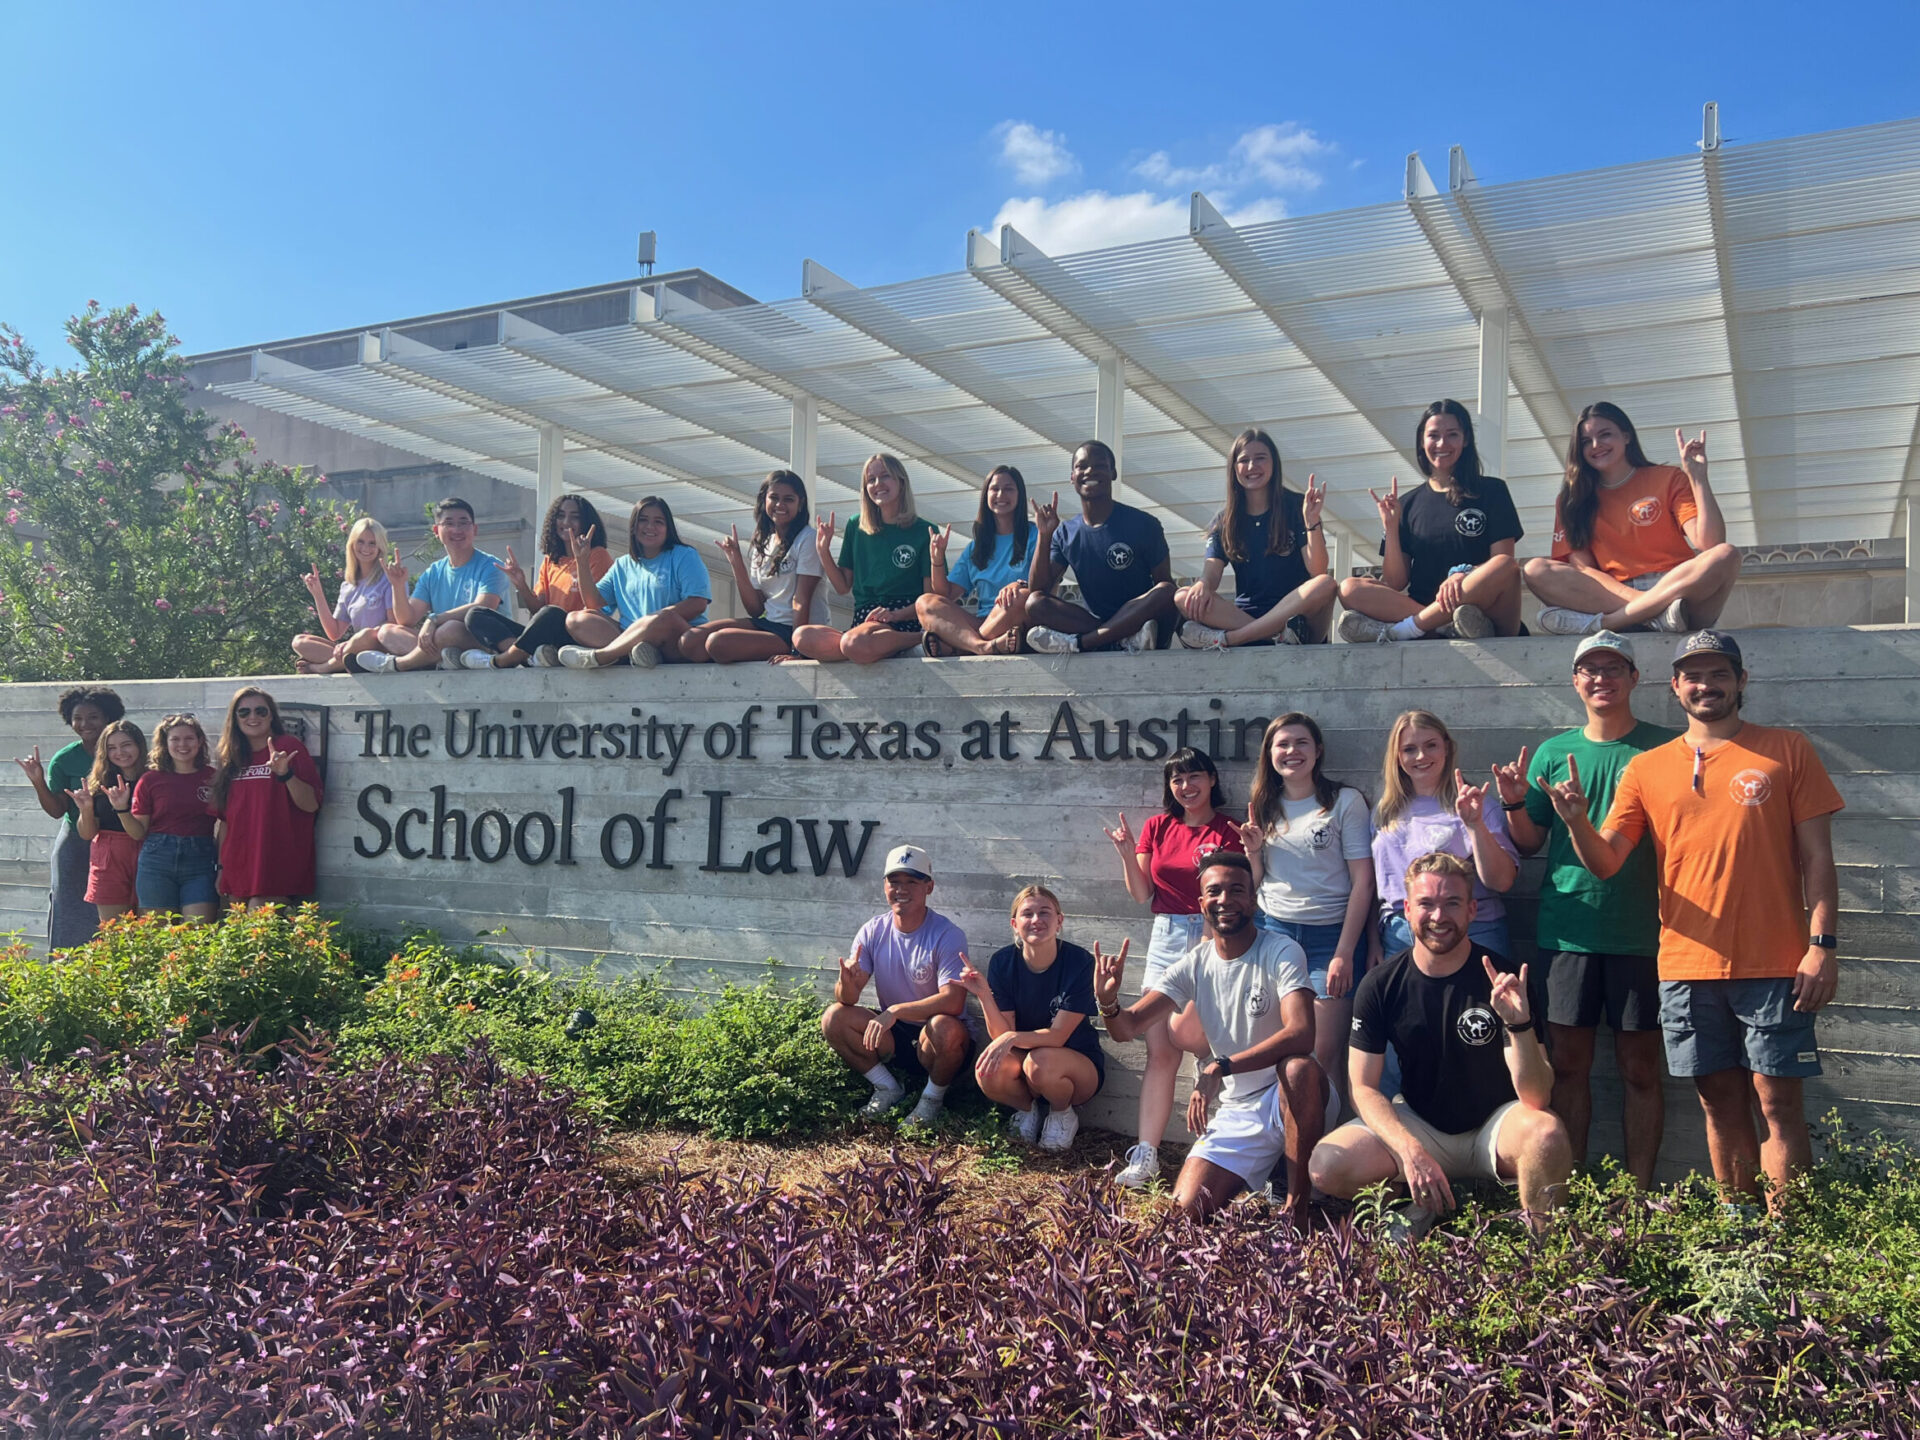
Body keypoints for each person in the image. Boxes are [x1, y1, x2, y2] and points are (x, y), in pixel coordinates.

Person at [1544, 630, 1843, 1209]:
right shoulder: (1648, 769)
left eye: (1719, 674)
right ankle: (1739, 1230)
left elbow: (1818, 859)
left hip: (1777, 963)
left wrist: (1821, 945)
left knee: (1779, 1105)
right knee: (1717, 1099)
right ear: (1676, 687)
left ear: (1741, 682)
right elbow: (1605, 861)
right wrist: (1578, 821)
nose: (1707, 685)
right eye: (1694, 676)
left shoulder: (1786, 750)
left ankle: (1795, 1238)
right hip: (1685, 965)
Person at [1490, 632, 1675, 1186]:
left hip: (1644, 934)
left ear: (1634, 678)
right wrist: (1514, 801)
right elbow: (1527, 844)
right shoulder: (1552, 752)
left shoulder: (1664, 749)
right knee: (1568, 1069)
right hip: (1567, 935)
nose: (1601, 678)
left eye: (1613, 668)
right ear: (1575, 682)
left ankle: (1639, 1193)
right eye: (1589, 669)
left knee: (1641, 1070)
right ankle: (1564, 1194)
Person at [1309, 853, 1573, 1233]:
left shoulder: (1504, 980)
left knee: (1547, 1133)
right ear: (1407, 909)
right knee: (1326, 1166)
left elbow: (1536, 1098)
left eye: (1451, 903)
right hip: (1420, 1124)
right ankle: (1414, 1199)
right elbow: (1363, 1088)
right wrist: (1409, 1151)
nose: (1438, 916)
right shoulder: (1381, 984)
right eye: (1426, 904)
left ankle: (1542, 1251)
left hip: (1494, 1127)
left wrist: (1519, 1024)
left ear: (1471, 910)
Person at [1095, 852, 1326, 1223]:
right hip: (1239, 1110)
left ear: (1253, 899)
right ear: (1201, 903)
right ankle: (1265, 1172)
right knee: (1182, 1216)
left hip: (1287, 1097)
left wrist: (1221, 1066)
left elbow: (1301, 1033)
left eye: (1237, 890)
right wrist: (1107, 1001)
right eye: (1214, 891)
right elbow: (1126, 1028)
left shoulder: (1282, 950)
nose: (1224, 900)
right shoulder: (1194, 963)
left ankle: (1296, 1208)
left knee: (1300, 1070)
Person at [1102, 748, 1246, 1189]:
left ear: (1213, 779)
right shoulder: (1157, 827)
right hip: (1165, 935)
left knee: (1204, 1040)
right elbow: (1142, 892)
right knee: (1160, 1050)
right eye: (1177, 780)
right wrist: (1128, 853)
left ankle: (1222, 1154)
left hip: (1211, 934)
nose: (1187, 787)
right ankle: (1146, 1155)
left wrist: (1213, 937)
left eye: (1195, 777)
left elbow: (1237, 890)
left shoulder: (1229, 831)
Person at [1240, 713, 1376, 1123]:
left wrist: (1344, 952)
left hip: (1328, 940)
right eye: (1282, 744)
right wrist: (1251, 853)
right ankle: (1281, 1151)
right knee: (1269, 1044)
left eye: (1301, 743)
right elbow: (1261, 880)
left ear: (1318, 751)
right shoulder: (1263, 803)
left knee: (1320, 1053)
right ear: (1270, 753)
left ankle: (1326, 1154)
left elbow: (1363, 884)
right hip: (1273, 934)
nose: (1291, 751)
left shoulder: (1344, 802)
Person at [1524, 403, 1743, 637]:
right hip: (1615, 594)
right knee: (1535, 570)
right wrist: (1650, 604)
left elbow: (1710, 543)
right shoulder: (1571, 499)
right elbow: (1584, 569)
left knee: (1726, 554)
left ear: (1626, 436)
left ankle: (1607, 624)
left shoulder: (1668, 478)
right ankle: (1652, 617)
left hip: (1680, 592)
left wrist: (1698, 477)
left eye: (1605, 434)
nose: (1596, 446)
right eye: (1586, 441)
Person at [1338, 400, 1525, 642]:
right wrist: (1391, 528)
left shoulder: (1492, 491)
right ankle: (1440, 626)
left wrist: (1464, 574)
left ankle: (1410, 629)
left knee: (1504, 566)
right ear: (1421, 441)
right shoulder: (1407, 503)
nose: (1442, 444)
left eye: (1452, 435)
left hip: (1481, 609)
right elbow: (1395, 582)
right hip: (1429, 608)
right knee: (1348, 588)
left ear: (1466, 439)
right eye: (1433, 436)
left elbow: (1504, 562)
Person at [820, 844, 973, 1126]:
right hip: (894, 1033)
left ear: (929, 887)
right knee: (834, 1017)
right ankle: (888, 1087)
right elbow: (848, 999)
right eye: (894, 881)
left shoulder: (947, 934)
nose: (902, 889)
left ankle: (931, 1100)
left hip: (934, 1037)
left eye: (912, 882)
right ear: (884, 886)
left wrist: (897, 1010)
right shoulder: (873, 930)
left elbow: (954, 1001)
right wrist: (846, 984)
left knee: (944, 1026)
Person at [956, 884, 1105, 1152]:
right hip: (1025, 1061)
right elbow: (1002, 1033)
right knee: (987, 1070)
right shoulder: (1003, 962)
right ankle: (1028, 1110)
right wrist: (983, 996)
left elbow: (1058, 1037)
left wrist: (1012, 1038)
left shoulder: (1079, 962)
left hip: (1075, 1066)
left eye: (1045, 913)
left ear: (1059, 921)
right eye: (1027, 914)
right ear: (1015, 924)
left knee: (1040, 1062)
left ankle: (1062, 1114)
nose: (1036, 920)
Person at [1372, 710, 1519, 959]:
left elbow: (1502, 881)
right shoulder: (1384, 812)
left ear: (1447, 749)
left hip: (1472, 930)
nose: (1421, 756)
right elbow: (1373, 886)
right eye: (1409, 749)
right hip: (1400, 934)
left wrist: (1474, 825)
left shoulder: (1478, 805)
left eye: (1431, 745)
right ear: (1396, 757)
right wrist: (1373, 942)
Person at [1174, 429, 1337, 649]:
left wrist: (1312, 522)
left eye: (1260, 458)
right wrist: (1202, 584)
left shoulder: (1297, 506)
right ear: (1234, 468)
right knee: (1182, 596)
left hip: (1298, 619)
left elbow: (1317, 570)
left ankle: (1232, 639)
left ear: (1274, 464)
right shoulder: (1224, 520)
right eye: (1244, 460)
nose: (1252, 466)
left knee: (1325, 583)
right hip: (1248, 617)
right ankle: (1272, 636)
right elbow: (1211, 573)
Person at [1022, 440, 1177, 655]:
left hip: (1143, 625)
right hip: (1093, 622)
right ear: (1072, 477)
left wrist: (1086, 641)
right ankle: (1115, 640)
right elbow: (1039, 589)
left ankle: (1083, 643)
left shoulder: (1144, 524)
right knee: (1034, 603)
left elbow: (1165, 586)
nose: (1090, 471)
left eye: (1100, 465)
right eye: (1081, 466)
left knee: (1167, 591)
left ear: (1113, 473)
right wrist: (1044, 535)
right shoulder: (1066, 533)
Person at [789, 454, 936, 664]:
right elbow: (842, 586)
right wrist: (823, 551)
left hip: (904, 616)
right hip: (865, 619)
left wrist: (895, 615)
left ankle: (917, 639)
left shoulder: (923, 530)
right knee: (802, 637)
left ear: (901, 482)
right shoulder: (855, 525)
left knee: (852, 644)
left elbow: (930, 596)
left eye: (885, 476)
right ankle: (874, 646)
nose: (878, 484)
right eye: (871, 479)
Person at [15, 685, 125, 949]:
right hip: (76, 843)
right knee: (69, 909)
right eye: (78, 718)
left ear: (109, 717)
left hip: (117, 842)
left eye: (93, 717)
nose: (84, 724)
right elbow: (56, 811)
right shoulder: (65, 759)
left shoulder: (122, 752)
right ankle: (66, 974)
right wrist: (38, 782)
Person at [680, 471, 829, 664]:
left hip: (796, 629)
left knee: (718, 643)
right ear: (763, 500)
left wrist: (797, 649)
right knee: (690, 641)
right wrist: (736, 562)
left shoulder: (808, 538)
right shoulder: (764, 543)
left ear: (800, 504)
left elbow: (801, 599)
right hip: (768, 624)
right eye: (774, 498)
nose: (780, 505)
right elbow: (756, 609)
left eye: (788, 499)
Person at [347, 498, 507, 674]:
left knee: (450, 629)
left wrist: (434, 620)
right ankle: (441, 660)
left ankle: (399, 664)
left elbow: (484, 607)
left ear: (474, 529)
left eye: (463, 523)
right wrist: (398, 586)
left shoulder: (491, 565)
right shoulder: (434, 572)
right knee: (387, 632)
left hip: (484, 643)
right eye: (449, 523)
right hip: (442, 643)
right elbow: (407, 619)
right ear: (436, 531)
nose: (456, 530)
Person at [455, 494, 614, 669]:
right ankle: (528, 657)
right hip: (542, 637)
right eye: (560, 516)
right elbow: (537, 610)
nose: (566, 522)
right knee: (476, 615)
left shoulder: (597, 555)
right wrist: (521, 584)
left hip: (574, 637)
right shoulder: (550, 560)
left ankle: (505, 659)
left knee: (552, 614)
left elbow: (596, 607)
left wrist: (581, 562)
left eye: (575, 517)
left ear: (586, 522)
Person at [557, 497, 712, 669]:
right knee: (575, 619)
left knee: (662, 618)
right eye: (643, 520)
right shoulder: (622, 564)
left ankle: (601, 657)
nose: (650, 527)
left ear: (668, 528)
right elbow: (593, 604)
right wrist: (582, 562)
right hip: (632, 637)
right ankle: (635, 654)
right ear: (634, 526)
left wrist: (649, 623)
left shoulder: (685, 555)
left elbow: (698, 603)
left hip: (674, 639)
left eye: (658, 522)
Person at [208, 688, 324, 909]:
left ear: (271, 715)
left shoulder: (289, 748)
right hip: (238, 862)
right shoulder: (229, 757)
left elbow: (311, 805)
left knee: (258, 916)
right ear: (235, 718)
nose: (253, 717)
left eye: (261, 711)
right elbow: (224, 821)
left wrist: (285, 774)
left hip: (277, 861)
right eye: (244, 712)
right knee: (240, 937)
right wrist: (221, 869)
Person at [914, 465, 1033, 657]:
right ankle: (983, 646)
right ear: (986, 495)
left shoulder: (1034, 535)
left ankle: (960, 646)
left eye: (1009, 488)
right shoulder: (976, 547)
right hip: (983, 623)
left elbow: (1044, 585)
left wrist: (1019, 585)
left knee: (1024, 597)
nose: (1001, 494)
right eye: (994, 489)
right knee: (924, 602)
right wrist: (936, 560)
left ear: (1020, 495)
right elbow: (946, 595)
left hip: (1013, 619)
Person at [123, 713, 219, 922]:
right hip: (157, 860)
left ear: (200, 741)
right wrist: (121, 810)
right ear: (165, 743)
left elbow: (225, 822)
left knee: (198, 933)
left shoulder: (213, 778)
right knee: (156, 936)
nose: (182, 745)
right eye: (175, 739)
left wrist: (222, 865)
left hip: (201, 861)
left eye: (189, 738)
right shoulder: (150, 780)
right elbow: (138, 832)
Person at [292, 517, 398, 674]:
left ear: (380, 547)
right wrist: (318, 593)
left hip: (380, 649)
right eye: (360, 542)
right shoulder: (348, 586)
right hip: (354, 650)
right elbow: (334, 633)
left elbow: (394, 624)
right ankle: (347, 662)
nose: (365, 548)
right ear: (352, 544)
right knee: (300, 642)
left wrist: (352, 644)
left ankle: (324, 667)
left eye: (372, 543)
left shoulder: (389, 579)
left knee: (363, 638)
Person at [68, 719, 148, 925]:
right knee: (113, 932)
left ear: (139, 745)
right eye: (112, 748)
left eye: (126, 745)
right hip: (108, 857)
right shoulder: (100, 782)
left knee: (149, 930)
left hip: (149, 852)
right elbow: (87, 834)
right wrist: (85, 810)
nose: (120, 752)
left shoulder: (153, 778)